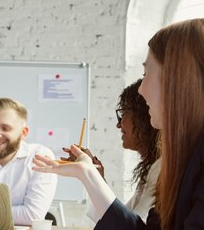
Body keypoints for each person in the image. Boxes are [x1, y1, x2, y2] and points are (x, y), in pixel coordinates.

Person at [0, 18, 204, 230]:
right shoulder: (191, 152)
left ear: (180, 80)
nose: (143, 90)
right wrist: (89, 176)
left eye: (147, 73)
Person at [63, 80, 160, 220]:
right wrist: (96, 177)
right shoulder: (152, 168)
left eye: (124, 114)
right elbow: (121, 221)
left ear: (143, 118)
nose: (118, 124)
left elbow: (129, 229)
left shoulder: (159, 169)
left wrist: (91, 176)